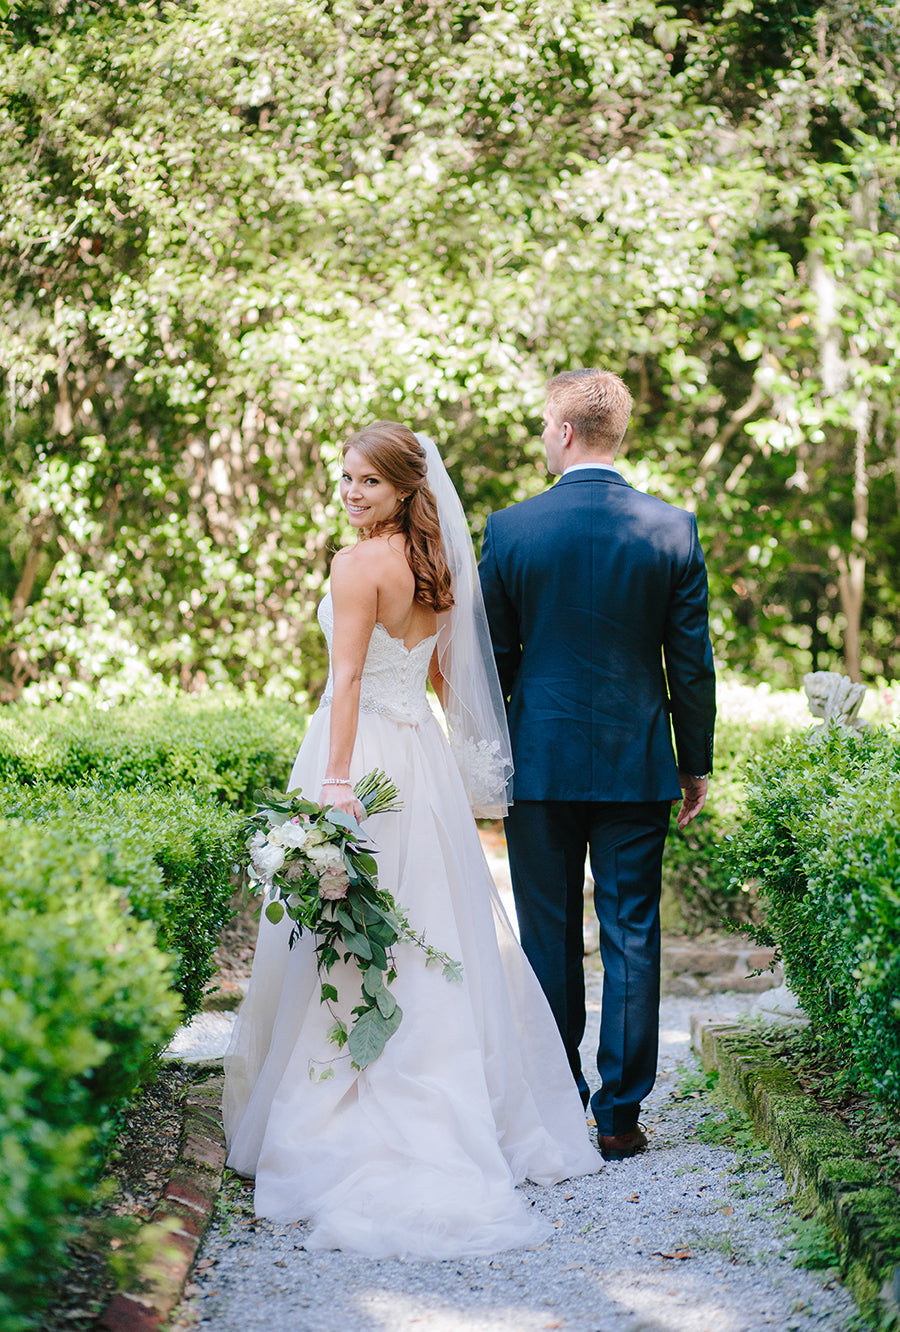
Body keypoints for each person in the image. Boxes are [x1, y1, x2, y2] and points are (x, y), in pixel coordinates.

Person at [223, 421, 601, 1259]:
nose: (351, 492)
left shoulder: (355, 565)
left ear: (402, 489)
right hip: (419, 760)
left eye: (367, 482)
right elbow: (437, 675)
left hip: (357, 758)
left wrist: (334, 784)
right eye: (346, 478)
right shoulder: (437, 570)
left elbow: (347, 677)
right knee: (428, 923)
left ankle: (350, 1095)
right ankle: (467, 1098)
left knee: (357, 931)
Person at [478, 370, 716, 1161]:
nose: (545, 439)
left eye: (546, 427)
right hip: (634, 762)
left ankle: (556, 1104)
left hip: (538, 767)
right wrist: (696, 763)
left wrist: (486, 754)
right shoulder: (672, 529)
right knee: (633, 935)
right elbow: (692, 665)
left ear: (567, 432)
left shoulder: (511, 530)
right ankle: (619, 1118)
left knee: (548, 938)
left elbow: (493, 660)